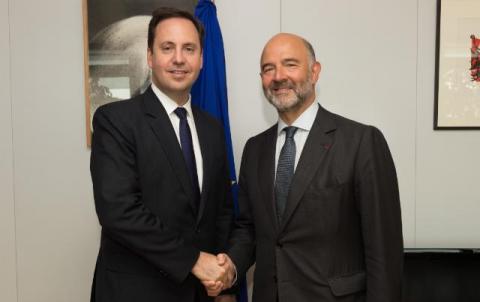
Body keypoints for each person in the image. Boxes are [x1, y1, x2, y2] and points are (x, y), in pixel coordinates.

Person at [218, 33, 404, 301]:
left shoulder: (361, 142)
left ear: (315, 72)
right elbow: (249, 229)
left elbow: (384, 252)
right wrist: (230, 267)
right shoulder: (254, 149)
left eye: (290, 64)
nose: (279, 76)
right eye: (268, 68)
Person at [90, 7, 235, 302]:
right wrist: (195, 261)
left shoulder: (212, 129)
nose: (179, 58)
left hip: (200, 294)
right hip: (134, 293)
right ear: (150, 57)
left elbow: (220, 211)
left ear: (201, 59)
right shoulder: (115, 120)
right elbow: (118, 211)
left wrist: (223, 280)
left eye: (189, 49)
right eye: (167, 48)